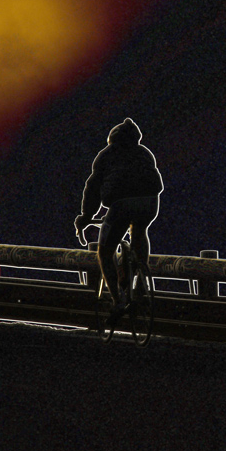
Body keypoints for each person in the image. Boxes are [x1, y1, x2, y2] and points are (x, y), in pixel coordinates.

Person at [75, 118, 163, 324]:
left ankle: (118, 301)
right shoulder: (145, 153)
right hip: (150, 203)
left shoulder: (106, 155)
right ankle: (140, 286)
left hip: (121, 205)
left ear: (112, 139)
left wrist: (86, 217)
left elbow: (92, 188)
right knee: (140, 231)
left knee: (105, 252)